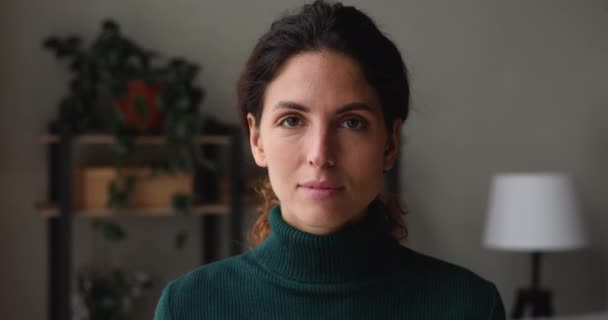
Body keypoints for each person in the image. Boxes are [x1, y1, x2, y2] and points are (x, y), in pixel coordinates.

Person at [154, 1, 506, 319]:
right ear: (256, 138)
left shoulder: (468, 306)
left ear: (389, 144)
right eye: (292, 120)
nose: (320, 155)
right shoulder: (189, 306)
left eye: (352, 123)